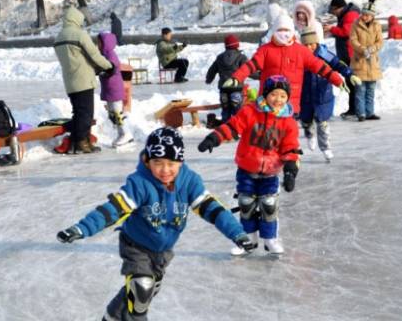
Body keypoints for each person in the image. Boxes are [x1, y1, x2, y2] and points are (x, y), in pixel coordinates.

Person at [57, 127, 254, 321]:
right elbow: (112, 210)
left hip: (163, 251)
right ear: (147, 160)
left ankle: (111, 317)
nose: (165, 170)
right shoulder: (139, 183)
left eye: (171, 163)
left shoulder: (190, 182)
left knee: (142, 293)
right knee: (141, 288)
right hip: (135, 245)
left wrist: (237, 233)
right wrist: (81, 228)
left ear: (181, 161)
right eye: (158, 162)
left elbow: (214, 210)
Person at [198, 75, 301, 256]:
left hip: (270, 172)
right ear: (265, 94)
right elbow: (232, 127)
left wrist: (290, 171)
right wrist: (214, 138)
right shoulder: (250, 112)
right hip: (247, 169)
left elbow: (290, 148)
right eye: (274, 94)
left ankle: (270, 239)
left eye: (282, 96)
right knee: (246, 204)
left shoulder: (288, 122)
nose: (278, 99)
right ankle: (248, 239)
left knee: (269, 205)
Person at [224, 13, 345, 115]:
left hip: (289, 105)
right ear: (274, 31)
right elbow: (251, 65)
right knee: (268, 139)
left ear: (292, 31)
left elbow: (320, 67)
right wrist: (237, 77)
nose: (283, 33)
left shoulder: (301, 51)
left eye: (286, 30)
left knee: (287, 139)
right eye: (280, 30)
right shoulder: (265, 50)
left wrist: (337, 80)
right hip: (267, 103)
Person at [54, 6, 113, 153]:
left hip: (70, 81)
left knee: (79, 113)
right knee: (86, 114)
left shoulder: (59, 37)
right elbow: (93, 54)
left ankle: (80, 141)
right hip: (83, 80)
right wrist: (108, 66)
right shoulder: (79, 35)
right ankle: (81, 143)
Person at [299, 25, 359, 162]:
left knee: (323, 122)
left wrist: (350, 75)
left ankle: (325, 147)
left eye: (312, 44)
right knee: (306, 120)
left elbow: (338, 64)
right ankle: (309, 134)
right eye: (306, 44)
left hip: (322, 95)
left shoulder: (324, 54)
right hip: (305, 95)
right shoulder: (299, 56)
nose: (309, 47)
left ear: (317, 42)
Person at [324, 0, 360, 118]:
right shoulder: (345, 15)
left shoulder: (350, 15)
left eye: (334, 11)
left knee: (352, 82)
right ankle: (353, 108)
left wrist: (332, 29)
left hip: (351, 54)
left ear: (338, 8)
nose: (334, 14)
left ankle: (356, 109)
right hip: (346, 54)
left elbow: (347, 31)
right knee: (350, 82)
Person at [97, 31, 134, 147]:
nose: (97, 45)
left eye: (99, 43)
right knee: (112, 114)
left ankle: (126, 133)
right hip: (110, 89)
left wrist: (102, 71)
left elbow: (112, 68)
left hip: (114, 89)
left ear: (106, 44)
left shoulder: (111, 55)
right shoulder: (104, 55)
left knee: (117, 112)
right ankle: (121, 133)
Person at [350, 0, 384, 122]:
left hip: (372, 62)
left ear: (372, 16)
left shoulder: (377, 26)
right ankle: (361, 113)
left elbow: (380, 41)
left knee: (370, 90)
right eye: (363, 14)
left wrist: (373, 48)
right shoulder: (355, 25)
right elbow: (353, 40)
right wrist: (363, 49)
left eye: (367, 15)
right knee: (360, 90)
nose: (364, 17)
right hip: (360, 61)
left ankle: (370, 112)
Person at [205, 34, 251, 122]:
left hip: (224, 89)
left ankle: (225, 130)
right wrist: (260, 75)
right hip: (236, 88)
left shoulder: (220, 57)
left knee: (225, 110)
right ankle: (236, 129)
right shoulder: (241, 57)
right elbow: (249, 70)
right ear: (237, 45)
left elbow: (212, 70)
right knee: (237, 111)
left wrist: (208, 79)